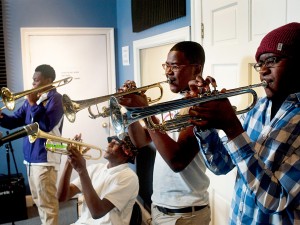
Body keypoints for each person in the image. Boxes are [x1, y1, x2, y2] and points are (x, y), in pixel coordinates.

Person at [188, 22, 300, 224]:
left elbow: (275, 200)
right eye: (260, 63)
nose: (263, 70)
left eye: (272, 60)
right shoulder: (257, 108)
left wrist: (232, 128)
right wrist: (205, 125)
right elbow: (220, 166)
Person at [118, 41, 211, 225]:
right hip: (161, 208)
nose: (168, 71)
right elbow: (140, 141)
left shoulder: (204, 106)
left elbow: (177, 161)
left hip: (185, 213)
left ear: (196, 68)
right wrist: (132, 111)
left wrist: (146, 111)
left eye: (175, 66)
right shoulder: (173, 105)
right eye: (167, 65)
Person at [0, 64, 64, 225]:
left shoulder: (56, 99)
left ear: (48, 81)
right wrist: (1, 117)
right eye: (33, 80)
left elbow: (46, 125)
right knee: (39, 202)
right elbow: (15, 121)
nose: (33, 84)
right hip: (30, 159)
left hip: (45, 157)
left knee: (47, 205)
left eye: (37, 80)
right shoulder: (33, 100)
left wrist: (33, 103)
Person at [57, 134, 139, 225]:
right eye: (110, 141)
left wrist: (82, 170)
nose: (109, 145)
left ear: (127, 153)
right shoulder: (95, 168)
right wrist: (69, 163)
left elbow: (97, 212)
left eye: (115, 143)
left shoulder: (129, 177)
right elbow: (61, 197)